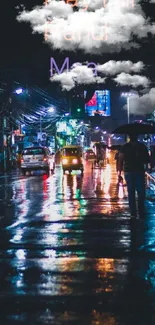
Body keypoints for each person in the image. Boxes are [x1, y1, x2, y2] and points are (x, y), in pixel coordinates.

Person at [117, 133, 150, 218]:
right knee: (141, 192)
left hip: (128, 171)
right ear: (137, 137)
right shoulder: (142, 146)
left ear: (129, 137)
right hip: (139, 171)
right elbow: (147, 159)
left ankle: (133, 213)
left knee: (131, 192)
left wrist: (119, 173)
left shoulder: (125, 147)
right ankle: (141, 211)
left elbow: (120, 160)